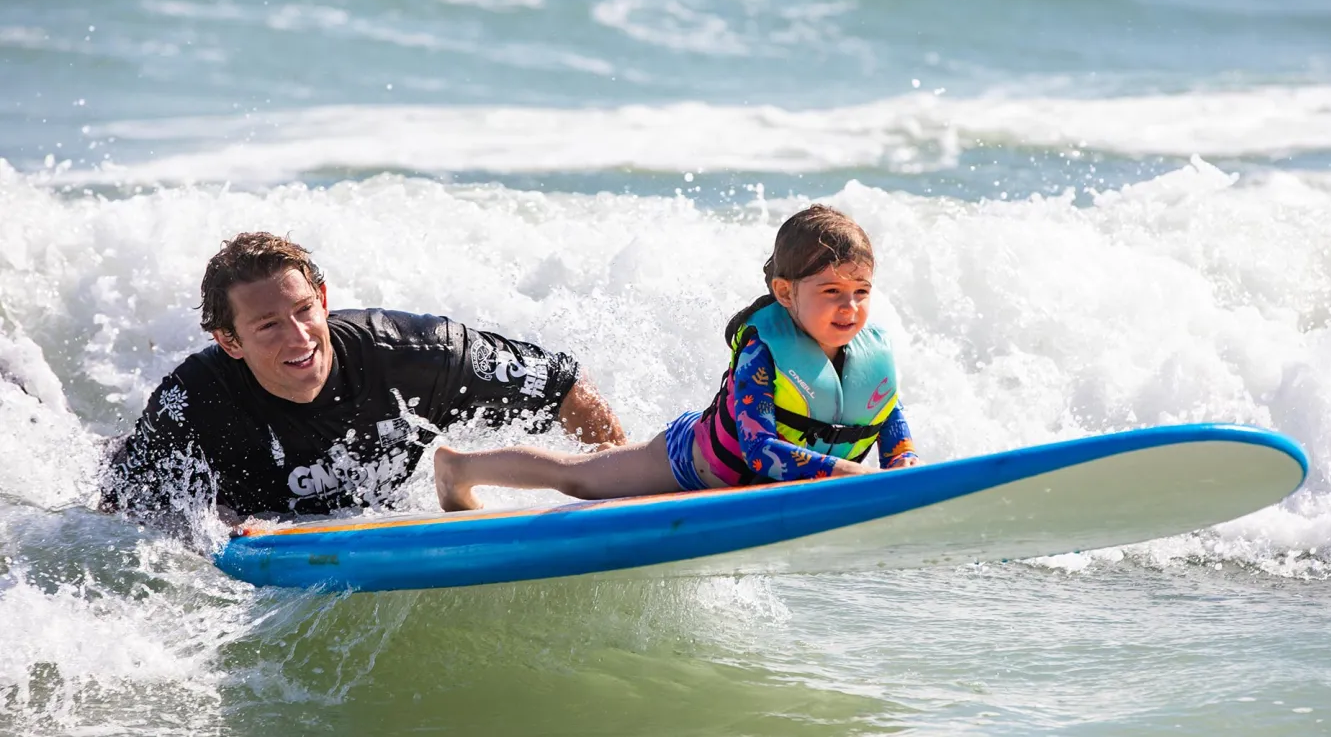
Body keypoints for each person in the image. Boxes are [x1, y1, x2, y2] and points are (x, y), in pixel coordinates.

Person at [101, 232, 626, 525]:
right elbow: (122, 505)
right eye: (268, 326)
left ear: (323, 300)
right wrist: (220, 526)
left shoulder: (413, 355)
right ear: (229, 341)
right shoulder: (193, 401)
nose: (299, 337)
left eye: (305, 311)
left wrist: (618, 498)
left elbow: (563, 385)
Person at [434, 204, 919, 511]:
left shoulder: (868, 360)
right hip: (693, 463)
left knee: (603, 470)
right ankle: (459, 468)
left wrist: (907, 473)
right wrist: (847, 474)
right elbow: (757, 448)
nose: (849, 306)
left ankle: (613, 460)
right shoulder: (761, 351)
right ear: (785, 292)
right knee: (578, 480)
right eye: (831, 290)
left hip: (760, 485)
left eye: (860, 290)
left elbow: (891, 433)